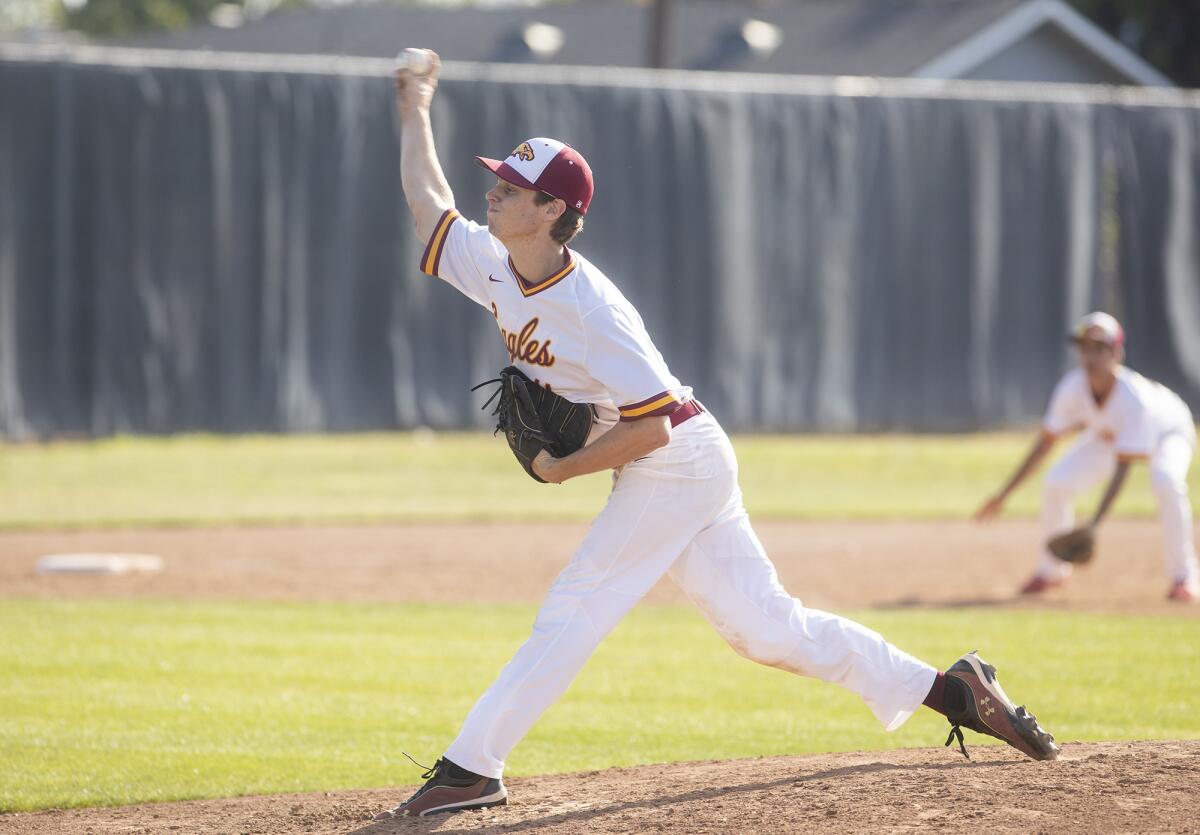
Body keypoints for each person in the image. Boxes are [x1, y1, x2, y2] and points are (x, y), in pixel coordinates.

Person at [377, 50, 1059, 820]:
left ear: (550, 212)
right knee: (768, 630)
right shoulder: (496, 261)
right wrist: (415, 107)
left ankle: (473, 765)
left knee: (576, 606)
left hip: (676, 459)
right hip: (679, 461)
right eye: (498, 180)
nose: (493, 191)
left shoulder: (595, 310)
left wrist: (565, 467)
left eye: (512, 186)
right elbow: (430, 207)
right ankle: (952, 688)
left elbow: (653, 430)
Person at [976, 311, 1199, 602]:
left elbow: (1123, 467)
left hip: (1169, 431)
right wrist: (1003, 495)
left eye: (1099, 348)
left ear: (1116, 353)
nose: (1090, 356)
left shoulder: (1134, 399)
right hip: (1109, 436)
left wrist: (1094, 524)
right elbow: (1045, 444)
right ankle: (1053, 571)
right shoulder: (1072, 388)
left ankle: (1185, 576)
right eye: (1084, 347)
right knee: (1056, 482)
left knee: (1165, 480)